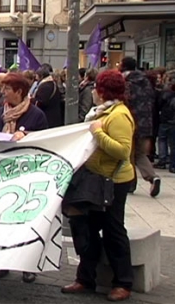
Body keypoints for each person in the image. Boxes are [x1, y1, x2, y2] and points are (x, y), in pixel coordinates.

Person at [61, 70, 135, 302]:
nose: (93, 91)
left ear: (103, 91)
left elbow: (122, 150)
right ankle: (85, 278)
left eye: (96, 88)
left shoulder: (119, 116)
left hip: (113, 181)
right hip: (95, 178)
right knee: (87, 229)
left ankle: (123, 282)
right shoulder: (103, 112)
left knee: (113, 230)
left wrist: (99, 133)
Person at [0, 72, 48, 283]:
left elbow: (46, 142)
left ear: (19, 92)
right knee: (2, 220)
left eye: (7, 89)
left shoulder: (36, 115)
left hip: (26, 173)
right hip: (3, 171)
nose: (3, 93)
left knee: (26, 221)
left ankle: (28, 265)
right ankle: (3, 261)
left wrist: (27, 135)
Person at [120, 57, 160, 197]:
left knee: (129, 153)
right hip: (146, 122)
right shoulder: (146, 82)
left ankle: (131, 183)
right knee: (140, 153)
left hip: (132, 122)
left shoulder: (127, 83)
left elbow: (125, 101)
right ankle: (152, 177)